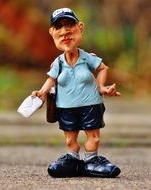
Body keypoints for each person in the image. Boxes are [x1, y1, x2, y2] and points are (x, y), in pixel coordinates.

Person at [31, 8, 121, 178]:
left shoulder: (87, 58)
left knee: (93, 136)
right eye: (59, 27)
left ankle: (91, 161)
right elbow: (51, 79)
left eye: (69, 25)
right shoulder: (58, 62)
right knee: (70, 139)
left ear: (80, 27)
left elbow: (102, 68)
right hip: (66, 107)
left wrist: (102, 87)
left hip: (90, 105)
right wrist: (42, 93)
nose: (65, 31)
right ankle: (72, 161)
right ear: (52, 32)